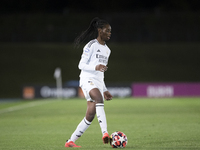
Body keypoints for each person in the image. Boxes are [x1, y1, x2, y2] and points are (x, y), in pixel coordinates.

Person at [65, 17, 113, 148]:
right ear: (99, 31)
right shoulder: (91, 45)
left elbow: (101, 73)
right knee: (98, 99)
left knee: (90, 115)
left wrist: (104, 89)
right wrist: (95, 67)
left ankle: (70, 141)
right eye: (107, 31)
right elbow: (80, 65)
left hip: (97, 82)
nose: (109, 33)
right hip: (87, 79)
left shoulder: (108, 51)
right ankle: (105, 133)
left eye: (110, 31)